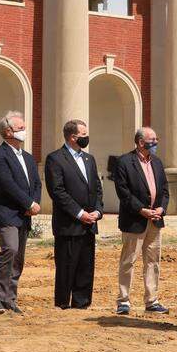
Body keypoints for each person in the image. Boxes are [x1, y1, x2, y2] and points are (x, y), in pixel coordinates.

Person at [0, 111, 42, 315]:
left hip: (25, 215)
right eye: (20, 128)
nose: (24, 131)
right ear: (8, 131)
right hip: (7, 213)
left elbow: (36, 183)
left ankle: (11, 297)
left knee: (19, 257)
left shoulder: (27, 157)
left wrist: (35, 203)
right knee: (9, 250)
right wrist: (28, 203)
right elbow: (6, 184)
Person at [44, 119, 103, 309]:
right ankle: (62, 303)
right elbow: (57, 191)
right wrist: (79, 213)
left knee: (86, 266)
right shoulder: (55, 158)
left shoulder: (89, 159)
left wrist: (97, 211)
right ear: (72, 137)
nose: (86, 138)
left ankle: (82, 303)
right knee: (66, 266)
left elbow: (97, 188)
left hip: (89, 223)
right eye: (83, 135)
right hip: (68, 224)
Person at [111, 126, 169, 315]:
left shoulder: (158, 163)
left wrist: (161, 208)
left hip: (155, 220)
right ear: (141, 142)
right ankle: (123, 300)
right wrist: (141, 210)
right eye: (153, 140)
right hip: (134, 220)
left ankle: (152, 300)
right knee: (129, 260)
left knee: (153, 261)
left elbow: (165, 190)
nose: (156, 143)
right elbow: (123, 192)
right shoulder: (124, 162)